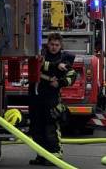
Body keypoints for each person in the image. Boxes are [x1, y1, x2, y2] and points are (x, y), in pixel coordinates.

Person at [28, 32, 77, 166]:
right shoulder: (41, 54)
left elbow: (72, 75)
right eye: (51, 44)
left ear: (61, 46)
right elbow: (39, 65)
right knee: (36, 126)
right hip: (36, 95)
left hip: (51, 97)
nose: (54, 47)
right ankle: (41, 155)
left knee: (50, 125)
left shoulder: (65, 58)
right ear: (47, 44)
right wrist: (55, 67)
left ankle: (55, 155)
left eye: (56, 45)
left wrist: (60, 83)